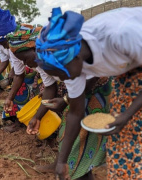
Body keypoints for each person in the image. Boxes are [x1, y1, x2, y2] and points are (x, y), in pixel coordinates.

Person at [34, 7, 142, 179]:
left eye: (62, 74)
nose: (63, 79)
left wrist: (127, 115)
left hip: (134, 58)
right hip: (127, 68)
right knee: (122, 149)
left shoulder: (121, 35)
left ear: (76, 57)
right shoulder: (67, 63)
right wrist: (62, 162)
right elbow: (75, 113)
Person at [6, 24, 112, 179]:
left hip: (98, 87)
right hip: (80, 88)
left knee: (80, 134)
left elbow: (90, 78)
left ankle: (78, 170)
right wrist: (37, 117)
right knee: (68, 131)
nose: (27, 65)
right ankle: (69, 166)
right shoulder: (42, 63)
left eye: (26, 59)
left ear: (35, 48)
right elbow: (49, 89)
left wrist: (65, 100)